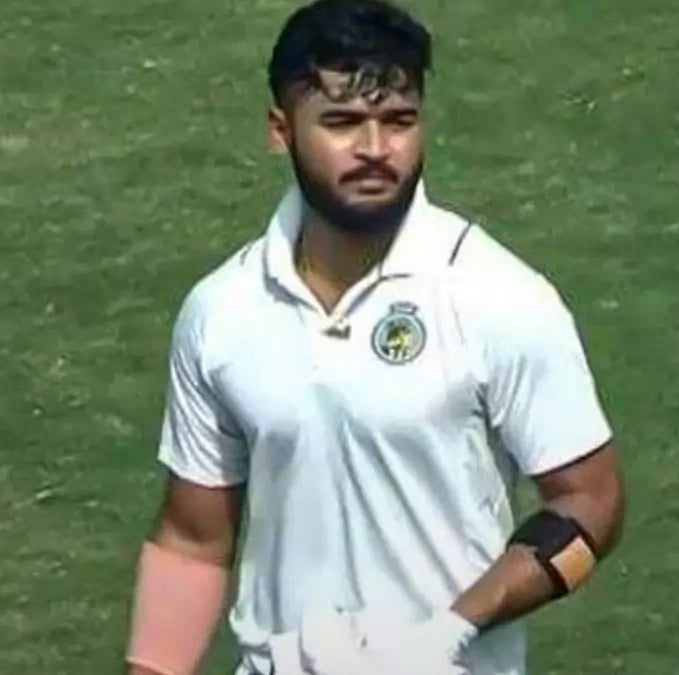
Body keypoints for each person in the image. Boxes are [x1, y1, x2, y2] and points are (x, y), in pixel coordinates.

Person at [123, 1, 626, 673]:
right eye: (342, 122)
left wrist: (455, 624)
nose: (374, 149)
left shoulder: (494, 294)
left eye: (398, 120)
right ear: (281, 130)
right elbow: (192, 538)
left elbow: (593, 499)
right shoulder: (222, 311)